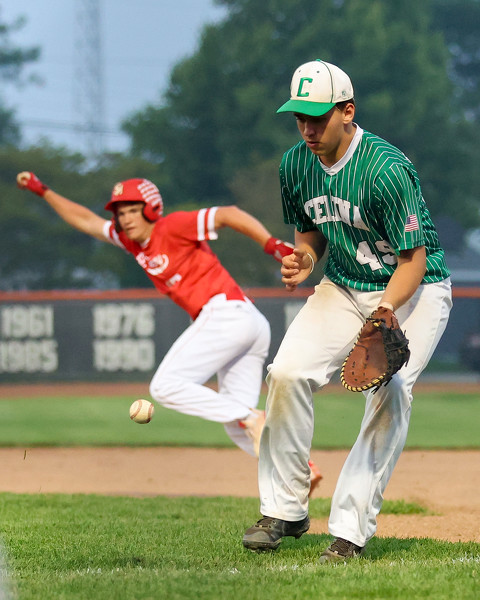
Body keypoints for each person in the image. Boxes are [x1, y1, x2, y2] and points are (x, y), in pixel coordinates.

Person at [242, 59, 452, 561]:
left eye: (318, 116)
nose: (309, 128)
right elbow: (311, 230)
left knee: (393, 388)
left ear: (347, 111)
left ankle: (350, 532)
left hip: (414, 290)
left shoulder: (385, 168)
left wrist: (384, 312)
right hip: (344, 285)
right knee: (287, 372)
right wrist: (306, 259)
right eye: (300, 117)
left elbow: (413, 260)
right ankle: (285, 510)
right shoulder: (294, 165)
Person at [16, 171, 323, 491]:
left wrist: (271, 244)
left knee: (164, 387)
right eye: (121, 213)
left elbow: (229, 215)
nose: (126, 218)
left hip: (227, 314)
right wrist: (42, 191)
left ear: (151, 208)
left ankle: (251, 417)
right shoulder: (131, 242)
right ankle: (300, 469)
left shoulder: (172, 226)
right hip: (242, 322)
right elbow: (85, 220)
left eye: (133, 209)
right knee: (235, 427)